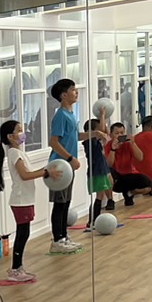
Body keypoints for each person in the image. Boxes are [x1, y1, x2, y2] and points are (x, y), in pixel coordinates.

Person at [0, 119, 48, 283]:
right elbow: (25, 175)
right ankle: (15, 269)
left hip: (25, 199)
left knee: (24, 233)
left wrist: (44, 171)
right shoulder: (14, 153)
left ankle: (18, 268)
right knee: (22, 234)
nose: (22, 133)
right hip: (20, 200)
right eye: (19, 130)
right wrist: (45, 172)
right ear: (10, 136)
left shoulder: (18, 152)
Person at [47, 78, 84, 254]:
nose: (76, 92)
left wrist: (95, 133)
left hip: (68, 167)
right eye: (72, 89)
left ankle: (64, 236)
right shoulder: (61, 115)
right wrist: (70, 158)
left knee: (66, 202)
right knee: (60, 204)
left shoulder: (71, 115)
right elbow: (54, 142)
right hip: (59, 167)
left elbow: (75, 137)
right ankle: (57, 240)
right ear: (63, 95)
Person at [106, 122, 152, 205]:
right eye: (116, 133)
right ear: (111, 135)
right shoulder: (109, 145)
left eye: (122, 133)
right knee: (108, 172)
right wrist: (113, 149)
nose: (119, 135)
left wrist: (133, 144)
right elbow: (109, 164)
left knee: (149, 186)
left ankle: (130, 193)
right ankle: (110, 200)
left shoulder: (128, 144)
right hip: (116, 178)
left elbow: (140, 157)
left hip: (130, 175)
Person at [82, 109, 115, 222]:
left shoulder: (96, 140)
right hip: (97, 171)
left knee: (101, 195)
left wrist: (103, 119)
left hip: (102, 169)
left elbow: (105, 131)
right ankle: (92, 221)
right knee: (99, 196)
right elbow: (101, 131)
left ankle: (94, 220)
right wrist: (102, 115)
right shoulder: (90, 140)